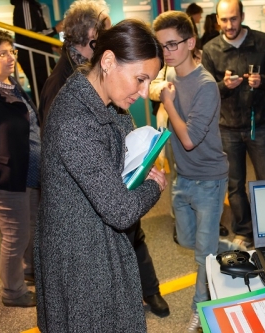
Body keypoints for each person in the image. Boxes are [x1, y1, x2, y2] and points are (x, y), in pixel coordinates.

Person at [38, 0, 170, 318]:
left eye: (149, 81)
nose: (143, 92)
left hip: (100, 245)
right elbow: (121, 211)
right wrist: (155, 185)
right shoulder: (75, 117)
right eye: (140, 79)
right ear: (108, 61)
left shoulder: (108, 100)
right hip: (79, 260)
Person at [151, 11, 243, 332]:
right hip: (183, 177)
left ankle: (199, 310)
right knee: (188, 240)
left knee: (203, 256)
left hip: (209, 179)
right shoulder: (169, 75)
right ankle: (231, 248)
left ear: (191, 43)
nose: (166, 52)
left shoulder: (206, 85)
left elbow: (188, 139)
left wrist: (168, 102)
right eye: (161, 46)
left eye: (172, 45)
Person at [202, 0, 265, 248]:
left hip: (257, 125)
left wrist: (263, 81)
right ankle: (246, 231)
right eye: (224, 20)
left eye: (234, 19)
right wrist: (223, 86)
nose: (229, 25)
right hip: (227, 127)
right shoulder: (210, 49)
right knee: (235, 185)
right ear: (217, 20)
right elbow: (206, 91)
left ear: (242, 16)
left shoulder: (262, 41)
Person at [0, 29, 40, 308]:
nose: (11, 58)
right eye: (3, 53)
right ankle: (12, 293)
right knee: (14, 236)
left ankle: (28, 272)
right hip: (7, 178)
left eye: (13, 52)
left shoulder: (11, 84)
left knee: (29, 227)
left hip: (28, 174)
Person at [11, 0, 63, 106]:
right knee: (44, 93)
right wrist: (55, 29)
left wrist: (49, 45)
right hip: (35, 59)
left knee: (46, 91)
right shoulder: (24, 4)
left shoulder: (31, 5)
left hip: (38, 58)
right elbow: (29, 34)